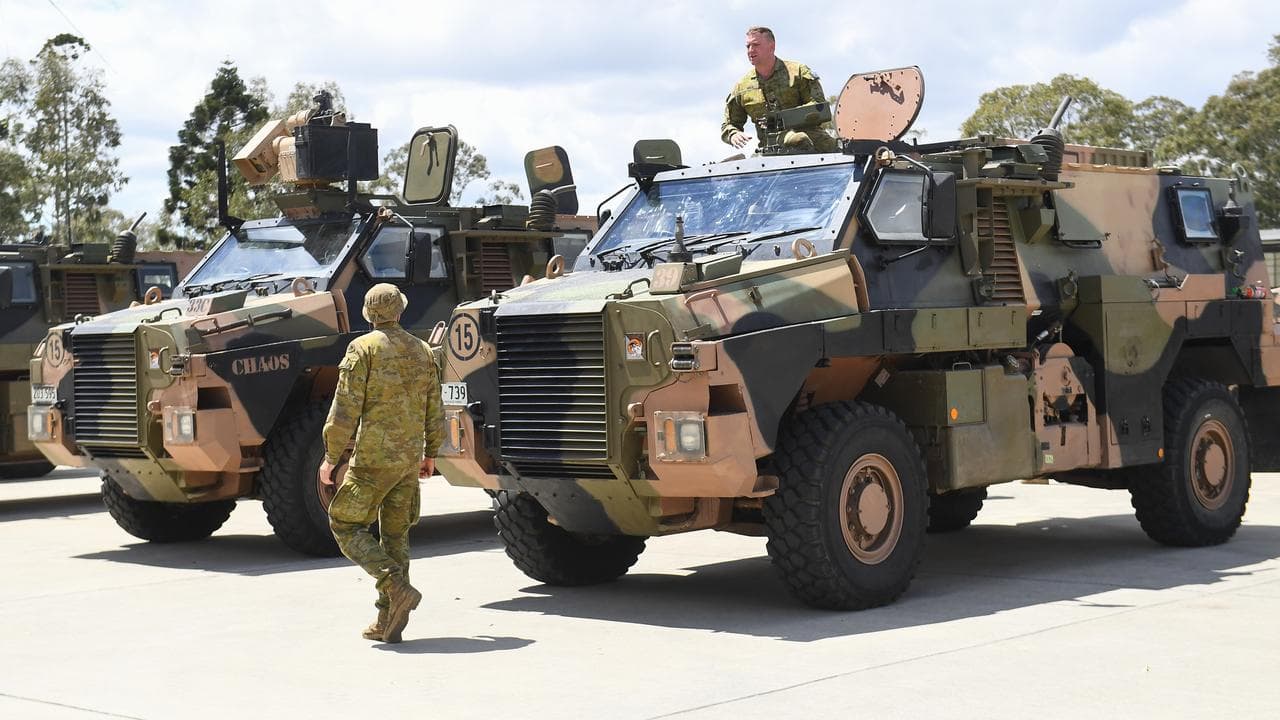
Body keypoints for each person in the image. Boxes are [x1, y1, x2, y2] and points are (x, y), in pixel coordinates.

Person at [320, 283, 444, 644]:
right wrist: (430, 454)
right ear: (400, 311)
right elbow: (434, 410)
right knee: (395, 536)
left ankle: (394, 586)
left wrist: (330, 458)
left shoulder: (362, 349)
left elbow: (343, 412)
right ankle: (388, 620)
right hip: (407, 461)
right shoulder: (423, 350)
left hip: (372, 460)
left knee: (343, 523)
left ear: (368, 314)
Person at [721, 26, 838, 154]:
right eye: (748, 46)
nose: (750, 50)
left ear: (772, 46)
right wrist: (733, 134)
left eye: (756, 45)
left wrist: (783, 119)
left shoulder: (797, 72)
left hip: (815, 143)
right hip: (771, 151)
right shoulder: (742, 87)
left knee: (852, 155)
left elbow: (819, 107)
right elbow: (730, 124)